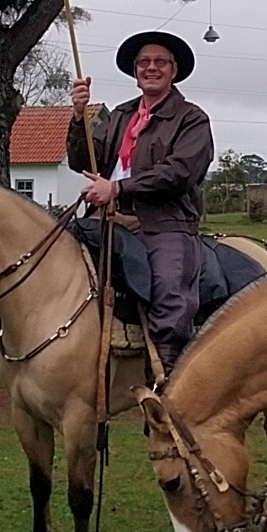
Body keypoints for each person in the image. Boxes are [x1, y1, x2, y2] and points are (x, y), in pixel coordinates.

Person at [67, 30, 214, 375]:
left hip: (165, 225)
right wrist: (78, 117)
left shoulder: (192, 119)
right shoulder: (118, 115)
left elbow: (179, 172)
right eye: (143, 63)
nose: (151, 68)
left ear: (173, 71)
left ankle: (167, 385)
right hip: (105, 219)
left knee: (169, 297)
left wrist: (118, 189)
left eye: (160, 62)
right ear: (135, 72)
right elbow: (84, 160)